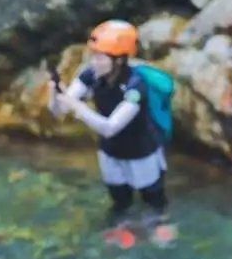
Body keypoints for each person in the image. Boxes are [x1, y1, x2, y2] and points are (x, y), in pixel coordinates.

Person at [49, 20, 176, 246]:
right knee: (119, 197)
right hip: (111, 152)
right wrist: (56, 95)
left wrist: (77, 106)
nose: (94, 61)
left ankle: (159, 222)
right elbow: (59, 112)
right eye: (94, 55)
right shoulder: (91, 75)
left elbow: (111, 126)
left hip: (141, 151)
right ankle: (122, 226)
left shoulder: (136, 86)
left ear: (118, 60)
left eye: (100, 57)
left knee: (152, 195)